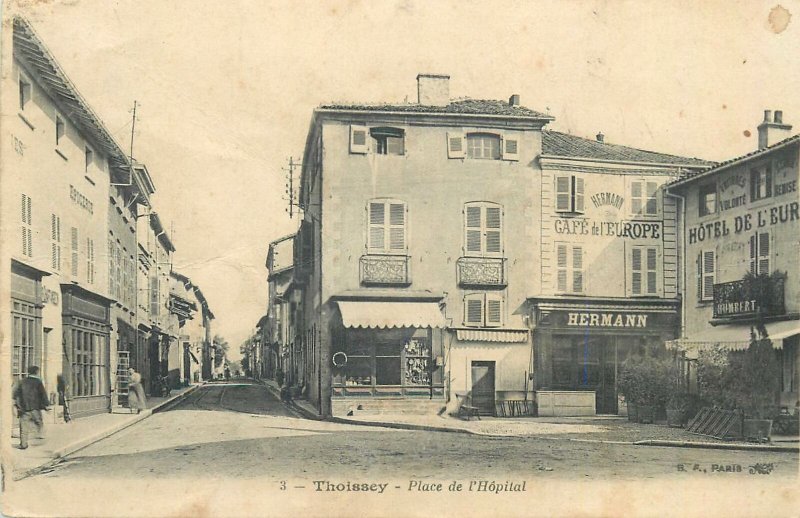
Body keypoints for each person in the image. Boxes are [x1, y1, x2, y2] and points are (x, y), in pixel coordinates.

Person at [12, 365, 50, 449]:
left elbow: (15, 395)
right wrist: (46, 405)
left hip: (24, 409)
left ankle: (23, 444)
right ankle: (39, 437)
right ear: (36, 372)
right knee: (39, 423)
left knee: (23, 427)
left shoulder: (21, 381)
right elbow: (43, 394)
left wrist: (17, 405)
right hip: (35, 408)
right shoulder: (38, 382)